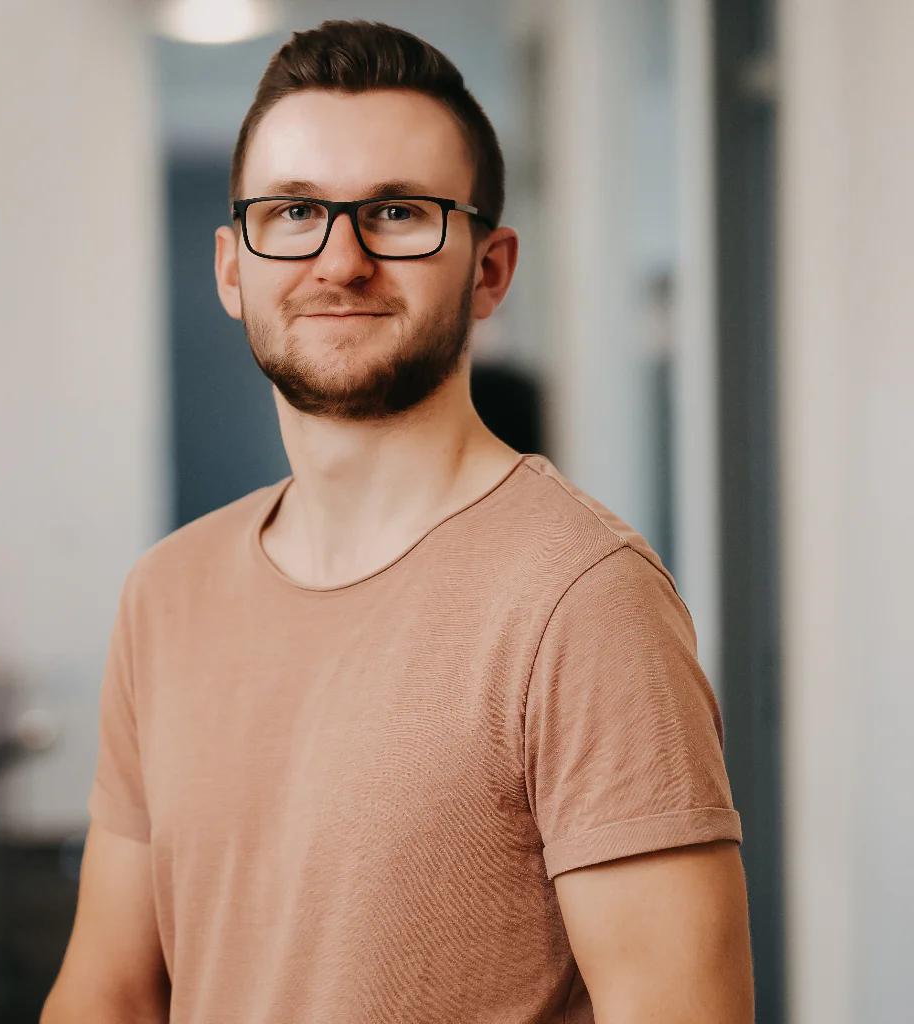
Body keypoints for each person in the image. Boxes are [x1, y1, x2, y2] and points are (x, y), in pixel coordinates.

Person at [41, 19, 754, 1024]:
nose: (340, 260)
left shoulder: (584, 602)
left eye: (397, 212)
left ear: (489, 270)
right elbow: (108, 991)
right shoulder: (167, 591)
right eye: (294, 211)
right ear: (232, 268)